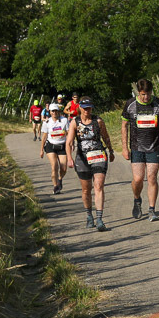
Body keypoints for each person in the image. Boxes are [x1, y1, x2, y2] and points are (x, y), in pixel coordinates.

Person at [121, 78, 159, 221]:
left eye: (148, 94)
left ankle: (152, 210)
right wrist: (124, 148)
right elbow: (124, 126)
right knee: (138, 179)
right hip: (137, 147)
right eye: (143, 94)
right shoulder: (130, 104)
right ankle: (137, 200)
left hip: (154, 146)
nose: (146, 97)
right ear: (138, 92)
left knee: (151, 178)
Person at [66, 98, 115, 232]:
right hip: (82, 158)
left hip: (98, 156)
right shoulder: (75, 122)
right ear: (80, 108)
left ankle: (99, 219)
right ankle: (89, 216)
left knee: (98, 185)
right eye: (85, 108)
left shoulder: (98, 121)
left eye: (89, 108)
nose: (87, 111)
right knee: (86, 190)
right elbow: (69, 142)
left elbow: (106, 137)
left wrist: (110, 151)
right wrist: (69, 157)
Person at [40, 103, 69, 194]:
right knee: (54, 166)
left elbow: (68, 133)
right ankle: (55, 186)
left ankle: (60, 179)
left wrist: (71, 145)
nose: (54, 112)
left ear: (58, 111)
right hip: (51, 146)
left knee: (63, 168)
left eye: (56, 111)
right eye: (53, 111)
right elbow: (44, 136)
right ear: (50, 112)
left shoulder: (64, 120)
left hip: (62, 145)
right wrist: (41, 150)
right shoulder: (47, 122)